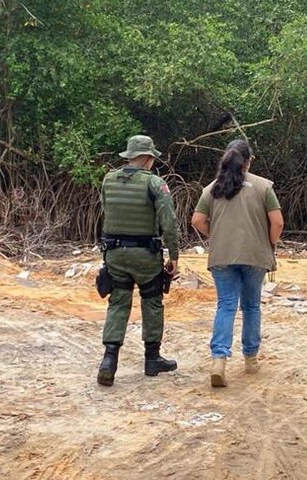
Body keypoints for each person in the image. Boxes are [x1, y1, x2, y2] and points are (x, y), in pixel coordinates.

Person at [191, 139, 284, 387]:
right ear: (248, 161)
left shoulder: (212, 188)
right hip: (255, 255)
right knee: (251, 306)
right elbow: (278, 222)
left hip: (222, 256)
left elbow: (197, 220)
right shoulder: (264, 187)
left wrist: (217, 235)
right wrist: (269, 243)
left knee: (226, 306)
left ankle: (219, 361)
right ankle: (251, 359)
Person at [96, 134, 180, 386]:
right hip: (145, 254)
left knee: (118, 303)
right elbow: (169, 221)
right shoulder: (155, 183)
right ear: (146, 158)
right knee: (152, 301)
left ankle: (109, 360)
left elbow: (106, 209)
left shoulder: (108, 180)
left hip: (114, 254)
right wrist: (174, 255)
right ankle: (152, 359)